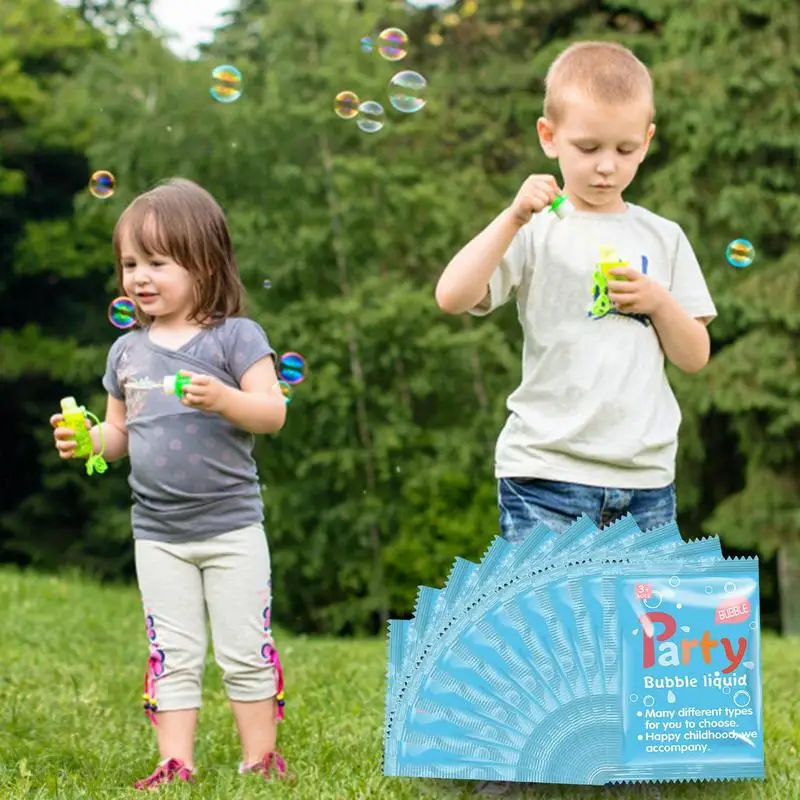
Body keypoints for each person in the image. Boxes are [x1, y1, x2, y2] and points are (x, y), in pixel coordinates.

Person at [436, 40, 713, 797]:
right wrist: (511, 215)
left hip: (642, 475)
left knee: (636, 634)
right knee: (542, 627)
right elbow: (452, 297)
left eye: (625, 148)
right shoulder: (538, 228)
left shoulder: (664, 240)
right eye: (587, 147)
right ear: (548, 138)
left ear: (647, 142)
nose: (605, 165)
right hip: (546, 466)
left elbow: (695, 355)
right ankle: (510, 763)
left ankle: (628, 766)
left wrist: (660, 303)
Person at [50, 178, 292, 790]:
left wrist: (226, 398)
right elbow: (118, 434)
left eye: (157, 262)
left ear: (204, 264)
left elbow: (273, 412)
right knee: (172, 651)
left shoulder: (236, 336)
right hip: (157, 534)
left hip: (233, 529)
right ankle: (175, 760)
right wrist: (88, 443)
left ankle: (260, 757)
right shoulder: (126, 351)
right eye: (130, 263)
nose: (139, 276)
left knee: (244, 647)